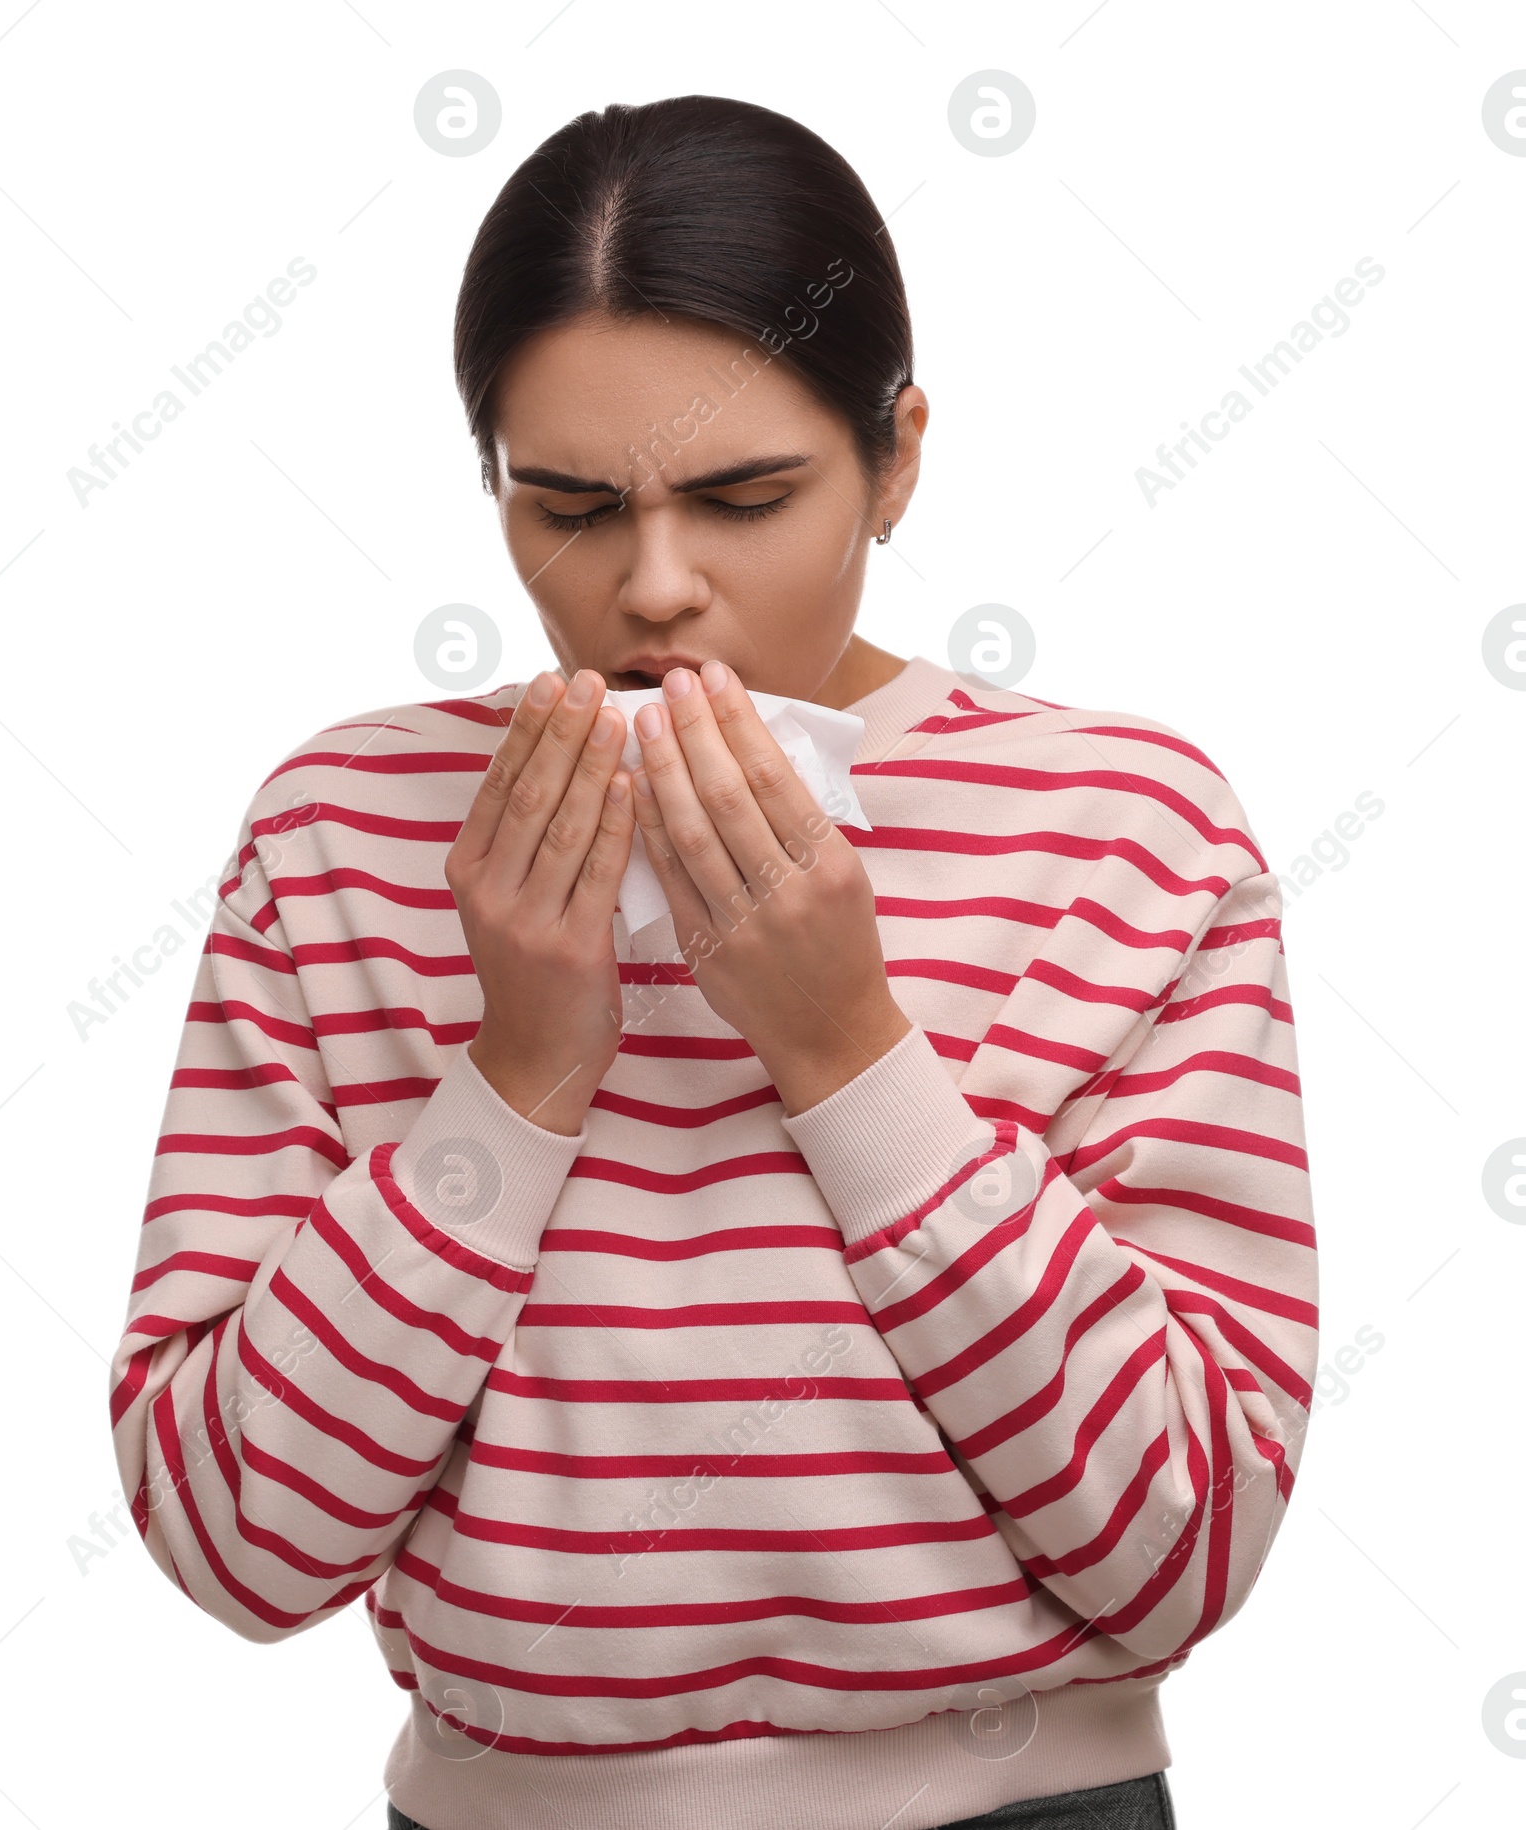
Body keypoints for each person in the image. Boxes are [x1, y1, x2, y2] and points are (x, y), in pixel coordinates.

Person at [107, 94, 1319, 1830]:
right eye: (571, 505)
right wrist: (515, 1077)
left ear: (897, 457)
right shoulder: (339, 833)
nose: (654, 586)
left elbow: (1189, 1544)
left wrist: (848, 1048)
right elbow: (235, 1545)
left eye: (746, 495)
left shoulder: (1133, 827)